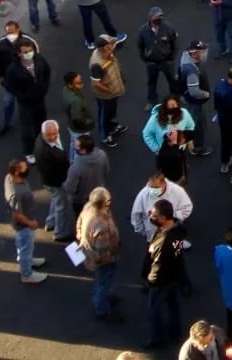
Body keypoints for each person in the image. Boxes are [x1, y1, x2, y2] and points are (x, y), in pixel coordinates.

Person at [77, 186, 123, 322]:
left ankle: (103, 295)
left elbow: (79, 223)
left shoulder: (87, 208)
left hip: (89, 251)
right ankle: (102, 309)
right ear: (105, 203)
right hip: (103, 260)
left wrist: (80, 236)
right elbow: (102, 249)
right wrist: (109, 258)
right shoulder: (101, 225)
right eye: (109, 199)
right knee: (103, 281)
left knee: (101, 279)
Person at [144, 199, 185, 350]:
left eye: (154, 215)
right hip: (174, 273)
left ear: (163, 218)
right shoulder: (178, 228)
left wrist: (150, 281)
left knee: (155, 308)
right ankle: (175, 331)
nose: (151, 216)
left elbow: (157, 266)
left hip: (161, 280)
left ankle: (157, 338)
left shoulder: (163, 241)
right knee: (173, 303)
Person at [5, 37, 51, 161]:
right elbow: (10, 86)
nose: (29, 54)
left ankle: (41, 146)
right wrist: (23, 96)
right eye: (25, 52)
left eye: (30, 50)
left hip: (40, 99)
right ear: (19, 53)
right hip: (25, 103)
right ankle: (29, 151)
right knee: (27, 129)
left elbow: (47, 73)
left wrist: (44, 89)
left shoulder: (39, 59)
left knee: (41, 125)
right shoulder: (13, 69)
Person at [4, 157, 47, 284]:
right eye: (24, 168)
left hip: (25, 221)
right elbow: (17, 214)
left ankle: (26, 259)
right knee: (26, 245)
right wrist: (30, 223)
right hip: (24, 224)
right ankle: (26, 274)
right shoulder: (15, 194)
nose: (27, 169)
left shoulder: (9, 177)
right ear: (16, 172)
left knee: (24, 245)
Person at [34, 120, 72, 242]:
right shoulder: (45, 152)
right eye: (49, 135)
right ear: (43, 134)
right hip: (55, 181)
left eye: (55, 133)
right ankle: (60, 232)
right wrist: (64, 182)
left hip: (50, 180)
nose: (53, 137)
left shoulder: (42, 139)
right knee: (61, 205)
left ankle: (51, 222)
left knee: (55, 200)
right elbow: (53, 171)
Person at [131, 169, 193, 242]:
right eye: (151, 187)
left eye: (156, 187)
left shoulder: (177, 191)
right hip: (153, 235)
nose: (152, 190)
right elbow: (136, 215)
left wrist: (173, 218)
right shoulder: (143, 195)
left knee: (175, 245)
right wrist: (142, 230)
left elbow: (187, 207)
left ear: (164, 183)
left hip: (172, 230)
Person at [143, 97, 194, 182]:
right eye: (169, 106)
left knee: (182, 176)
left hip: (179, 152)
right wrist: (157, 149)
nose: (172, 108)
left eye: (174, 105)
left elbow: (190, 125)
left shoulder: (184, 114)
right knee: (164, 179)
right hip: (164, 155)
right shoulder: (156, 118)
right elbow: (146, 134)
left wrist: (189, 141)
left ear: (178, 104)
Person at [90, 36, 128, 147]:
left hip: (113, 91)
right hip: (105, 95)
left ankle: (112, 127)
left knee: (111, 111)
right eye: (108, 47)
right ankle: (104, 136)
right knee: (104, 114)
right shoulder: (96, 64)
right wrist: (109, 91)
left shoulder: (107, 50)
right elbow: (96, 83)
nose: (111, 48)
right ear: (102, 48)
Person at [138, 7, 179, 109]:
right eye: (157, 16)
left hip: (166, 61)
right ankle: (151, 101)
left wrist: (171, 58)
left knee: (172, 80)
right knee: (151, 82)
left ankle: (175, 98)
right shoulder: (143, 30)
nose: (160, 18)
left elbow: (175, 44)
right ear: (151, 17)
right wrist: (145, 59)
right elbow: (140, 46)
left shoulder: (168, 28)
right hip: (152, 63)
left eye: (161, 16)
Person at [64, 133, 110, 217]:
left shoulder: (76, 167)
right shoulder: (102, 155)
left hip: (82, 200)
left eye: (77, 146)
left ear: (83, 150)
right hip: (98, 195)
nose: (75, 147)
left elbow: (70, 188)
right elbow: (106, 171)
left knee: (82, 220)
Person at [180, 41, 213, 156]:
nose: (204, 54)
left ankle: (187, 141)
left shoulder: (185, 59)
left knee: (190, 120)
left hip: (187, 98)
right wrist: (206, 94)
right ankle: (198, 147)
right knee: (198, 124)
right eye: (202, 51)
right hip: (196, 102)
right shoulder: (192, 71)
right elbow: (194, 92)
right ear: (194, 53)